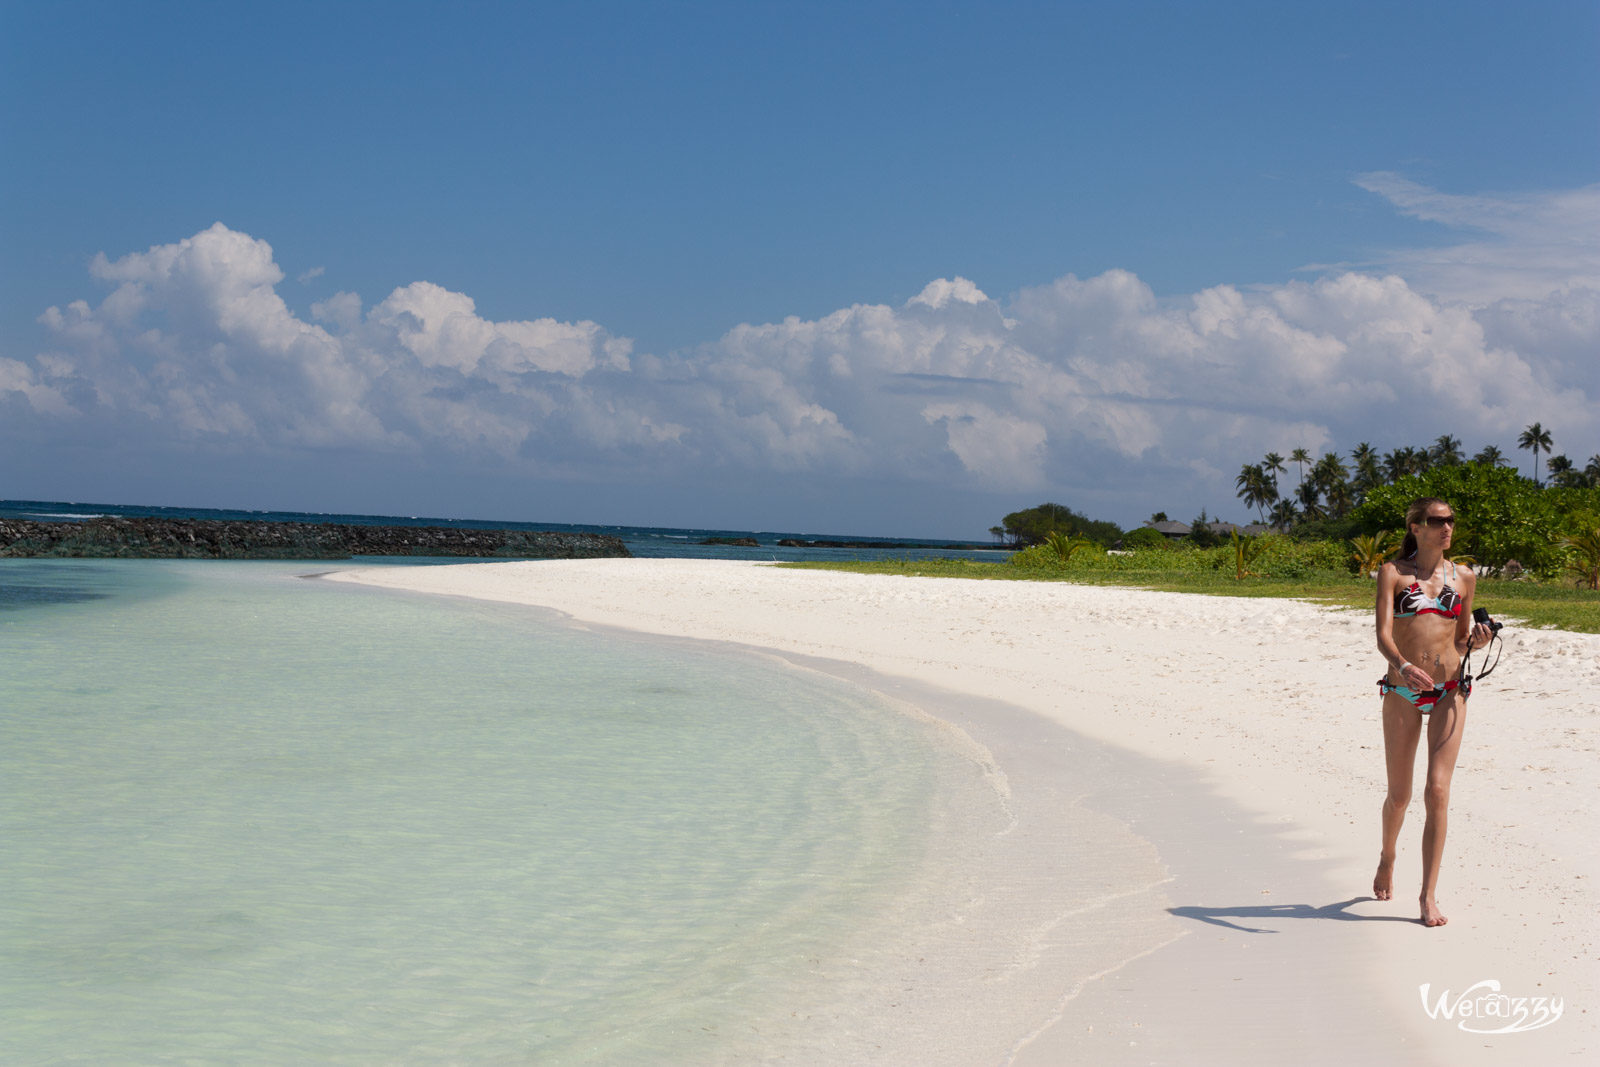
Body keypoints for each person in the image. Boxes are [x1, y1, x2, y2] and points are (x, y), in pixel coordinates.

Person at [1372, 496, 1493, 926]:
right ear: (1415, 527)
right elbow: (1383, 636)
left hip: (1450, 691)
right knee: (1400, 796)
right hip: (1403, 690)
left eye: (1450, 521)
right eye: (1437, 521)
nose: (1446, 527)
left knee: (1437, 791)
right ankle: (1388, 855)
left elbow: (1461, 640)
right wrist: (1403, 666)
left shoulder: (1463, 577)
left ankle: (1427, 896)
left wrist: (1476, 641)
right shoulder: (1392, 574)